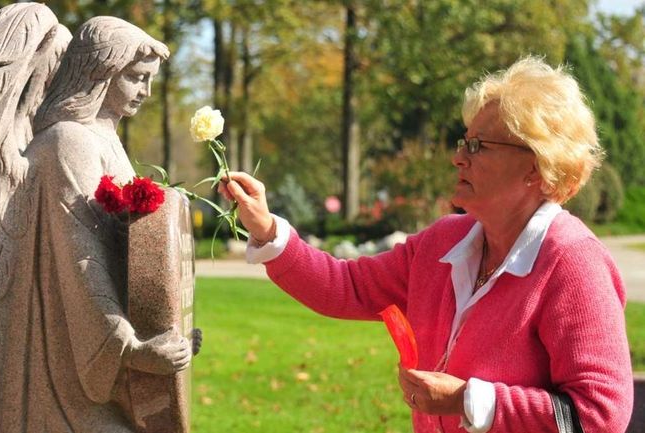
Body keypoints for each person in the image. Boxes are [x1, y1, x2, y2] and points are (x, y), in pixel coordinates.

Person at [219, 57, 633, 432]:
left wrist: (467, 400)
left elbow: (599, 414)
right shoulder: (443, 242)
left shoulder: (573, 261)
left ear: (536, 167)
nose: (459, 157)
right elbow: (348, 287)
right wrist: (269, 229)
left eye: (478, 146)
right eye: (463, 141)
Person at [0, 17, 191, 432]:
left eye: (150, 79)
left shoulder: (103, 138)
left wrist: (170, 322)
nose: (147, 91)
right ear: (100, 72)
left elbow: (125, 246)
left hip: (91, 349)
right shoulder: (69, 142)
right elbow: (80, 259)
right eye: (137, 78)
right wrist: (130, 348)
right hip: (66, 350)